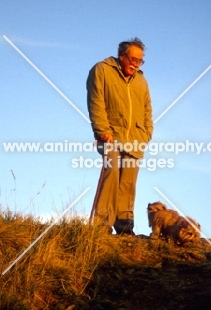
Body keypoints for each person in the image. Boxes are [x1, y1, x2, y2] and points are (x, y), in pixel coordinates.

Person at [87, 37, 153, 235]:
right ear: (122, 56)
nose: (136, 64)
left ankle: (124, 225)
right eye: (133, 59)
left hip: (135, 138)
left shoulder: (141, 81)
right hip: (110, 135)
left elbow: (147, 109)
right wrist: (102, 129)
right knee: (112, 175)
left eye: (140, 61)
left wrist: (146, 134)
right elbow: (96, 101)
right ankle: (102, 225)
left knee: (128, 183)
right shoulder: (102, 70)